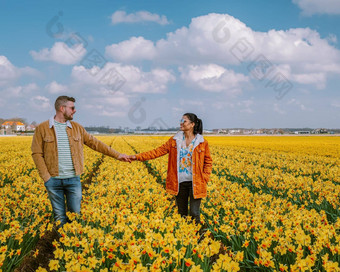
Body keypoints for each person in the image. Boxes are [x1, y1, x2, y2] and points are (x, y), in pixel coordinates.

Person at [31, 95, 130, 227]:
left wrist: (117, 155)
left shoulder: (77, 128)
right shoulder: (42, 128)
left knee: (75, 215)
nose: (75, 110)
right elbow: (36, 153)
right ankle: (63, 244)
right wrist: (46, 177)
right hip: (53, 180)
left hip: (73, 179)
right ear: (62, 108)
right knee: (59, 217)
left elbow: (96, 143)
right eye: (72, 108)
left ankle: (72, 242)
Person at [129, 113, 212, 224]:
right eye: (181, 120)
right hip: (179, 182)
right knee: (182, 213)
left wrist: (205, 177)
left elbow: (208, 161)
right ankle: (186, 238)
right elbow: (157, 152)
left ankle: (198, 238)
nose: (181, 123)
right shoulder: (174, 140)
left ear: (192, 124)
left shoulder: (202, 142)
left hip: (196, 182)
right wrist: (136, 157)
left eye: (184, 121)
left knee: (194, 213)